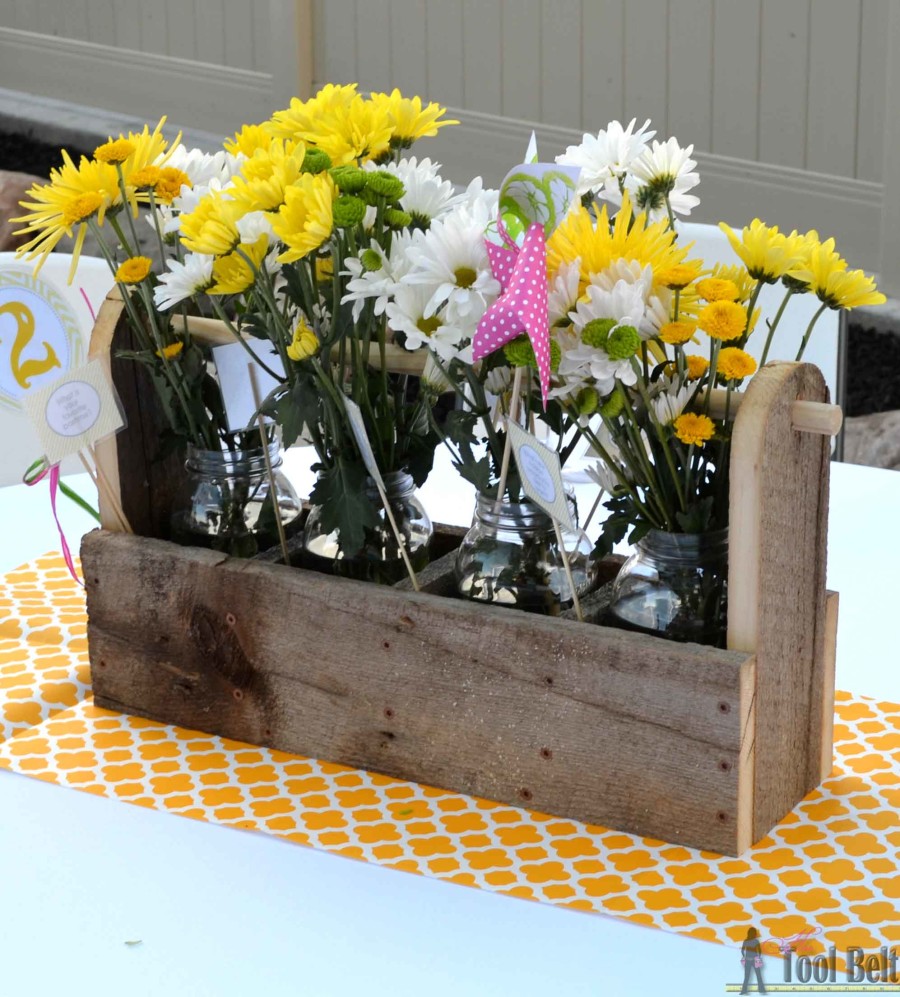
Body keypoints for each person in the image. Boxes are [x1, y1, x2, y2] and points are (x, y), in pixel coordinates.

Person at [740, 926, 767, 994]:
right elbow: (759, 951)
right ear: (754, 934)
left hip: (748, 960)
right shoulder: (756, 941)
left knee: (746, 976)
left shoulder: (746, 941)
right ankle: (761, 990)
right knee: (758, 975)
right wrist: (758, 957)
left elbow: (742, 950)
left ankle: (744, 990)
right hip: (755, 960)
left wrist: (744, 957)